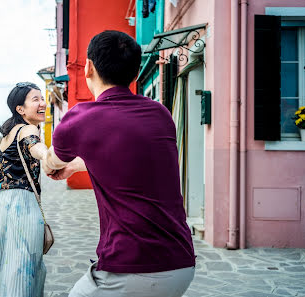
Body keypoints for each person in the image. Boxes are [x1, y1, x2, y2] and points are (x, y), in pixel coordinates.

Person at [43, 31, 195, 297]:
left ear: (88, 67)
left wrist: (44, 156)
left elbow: (50, 162)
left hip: (129, 267)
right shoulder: (160, 114)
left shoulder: (80, 119)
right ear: (135, 73)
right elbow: (122, 158)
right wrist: (77, 167)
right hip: (180, 264)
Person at [0, 82, 50, 297]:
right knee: (23, 264)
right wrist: (49, 155)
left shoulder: (9, 133)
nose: (43, 103)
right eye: (36, 99)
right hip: (21, 203)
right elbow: (36, 147)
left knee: (0, 264)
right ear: (20, 109)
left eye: (42, 98)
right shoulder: (28, 129)